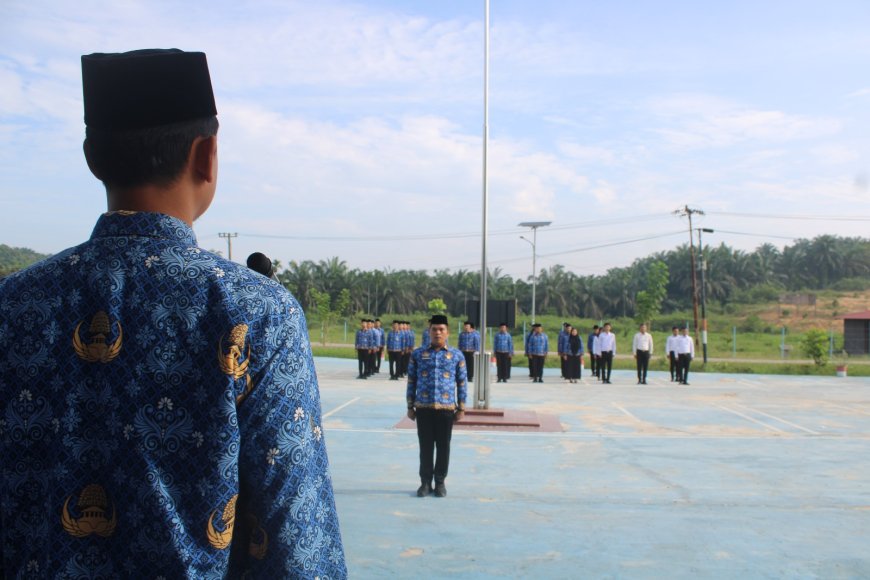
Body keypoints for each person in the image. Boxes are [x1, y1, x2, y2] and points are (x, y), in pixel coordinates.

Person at [0, 49, 345, 578]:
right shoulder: (256, 312)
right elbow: (296, 537)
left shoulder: (15, 304)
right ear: (206, 156)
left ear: (92, 158)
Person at [406, 315, 467, 498]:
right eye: (434, 329)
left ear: (447, 332)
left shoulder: (457, 355)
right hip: (423, 408)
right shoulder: (417, 354)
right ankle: (425, 483)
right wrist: (410, 405)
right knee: (425, 446)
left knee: (443, 446)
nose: (437, 333)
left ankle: (440, 482)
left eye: (441, 329)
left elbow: (462, 382)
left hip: (447, 409)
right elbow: (411, 381)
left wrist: (461, 407)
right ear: (429, 331)